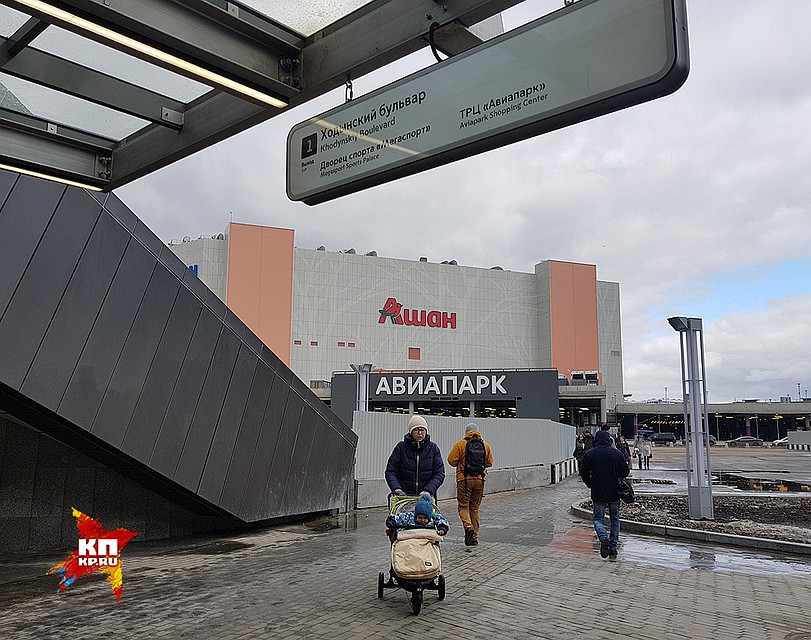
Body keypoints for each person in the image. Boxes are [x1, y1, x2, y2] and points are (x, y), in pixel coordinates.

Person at [579, 429, 629, 559]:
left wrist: (590, 483)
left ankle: (603, 538)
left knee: (598, 519)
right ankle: (613, 547)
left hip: (598, 490)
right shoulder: (617, 454)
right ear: (609, 440)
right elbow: (625, 472)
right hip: (614, 491)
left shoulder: (590, 454)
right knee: (615, 519)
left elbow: (583, 472)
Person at [447, 422, 493, 546]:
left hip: (464, 479)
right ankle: (474, 537)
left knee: (463, 506)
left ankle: (468, 527)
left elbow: (451, 461)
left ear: (466, 432)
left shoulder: (461, 444)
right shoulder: (485, 445)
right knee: (474, 508)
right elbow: (490, 463)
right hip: (480, 479)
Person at [385, 414, 445, 497]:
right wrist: (397, 489)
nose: (420, 433)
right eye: (416, 430)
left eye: (422, 430)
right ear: (411, 432)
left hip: (426, 497)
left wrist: (428, 490)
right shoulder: (401, 448)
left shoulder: (433, 448)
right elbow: (391, 471)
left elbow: (439, 473)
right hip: (404, 496)